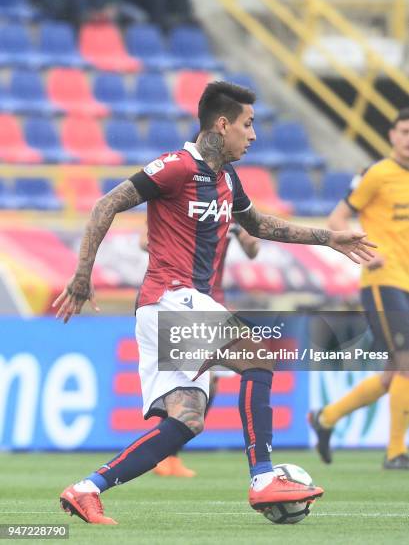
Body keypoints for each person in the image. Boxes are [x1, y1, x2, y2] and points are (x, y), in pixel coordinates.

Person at [53, 81, 375, 524]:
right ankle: (263, 477)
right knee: (259, 359)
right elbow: (107, 204)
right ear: (222, 125)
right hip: (169, 297)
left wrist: (329, 237)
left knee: (186, 421)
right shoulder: (177, 167)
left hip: (176, 304)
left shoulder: (226, 178)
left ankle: (87, 488)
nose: (254, 135)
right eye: (248, 125)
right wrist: (82, 276)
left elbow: (259, 225)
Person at [309, 108, 409, 470]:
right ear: (392, 135)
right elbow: (338, 218)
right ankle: (396, 452)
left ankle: (327, 417)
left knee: (391, 375)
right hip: (384, 280)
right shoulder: (376, 174)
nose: (407, 139)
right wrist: (365, 258)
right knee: (405, 364)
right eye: (403, 131)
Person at [143, 221, 260, 477]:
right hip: (180, 298)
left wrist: (244, 234)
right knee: (197, 380)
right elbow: (145, 242)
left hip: (213, 300)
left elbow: (253, 251)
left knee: (212, 383)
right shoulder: (181, 207)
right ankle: (164, 454)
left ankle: (169, 454)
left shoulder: (230, 212)